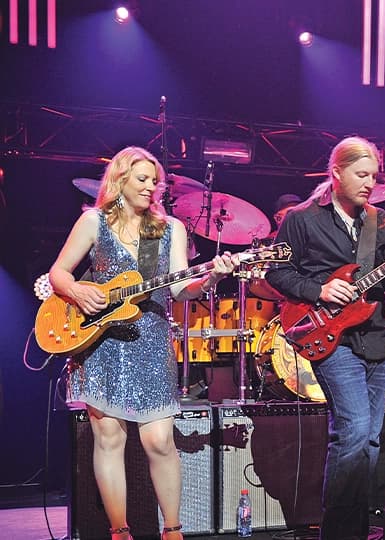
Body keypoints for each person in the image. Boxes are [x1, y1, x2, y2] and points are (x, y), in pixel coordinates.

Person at [49, 146, 239, 540]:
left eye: (155, 181)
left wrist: (214, 278)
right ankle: (120, 531)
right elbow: (59, 274)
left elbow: (183, 290)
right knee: (109, 437)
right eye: (142, 179)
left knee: (158, 440)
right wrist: (80, 293)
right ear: (119, 180)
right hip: (99, 341)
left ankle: (172, 531)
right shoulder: (93, 222)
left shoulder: (169, 229)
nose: (152, 187)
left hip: (150, 339)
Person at [265, 136, 385, 540]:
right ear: (336, 173)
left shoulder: (381, 222)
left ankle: (356, 527)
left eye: (373, 176)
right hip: (333, 341)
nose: (369, 183)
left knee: (369, 440)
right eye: (361, 174)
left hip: (375, 340)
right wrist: (319, 291)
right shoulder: (301, 219)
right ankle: (337, 532)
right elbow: (276, 274)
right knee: (351, 431)